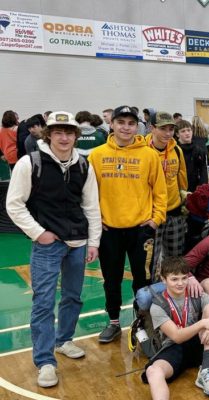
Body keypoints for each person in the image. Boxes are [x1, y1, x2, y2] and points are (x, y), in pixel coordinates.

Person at [6, 111, 102, 388]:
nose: (64, 137)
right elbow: (14, 204)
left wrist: (93, 242)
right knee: (43, 302)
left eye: (69, 132)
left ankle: (64, 340)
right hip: (47, 245)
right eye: (58, 132)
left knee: (73, 297)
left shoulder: (83, 165)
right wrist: (39, 233)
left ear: (75, 136)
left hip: (78, 243)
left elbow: (91, 206)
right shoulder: (30, 163)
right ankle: (45, 361)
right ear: (48, 135)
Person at [88, 105, 167, 343]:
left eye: (131, 123)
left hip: (141, 231)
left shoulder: (149, 155)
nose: (126, 127)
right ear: (111, 124)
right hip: (109, 231)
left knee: (143, 282)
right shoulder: (97, 155)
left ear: (137, 126)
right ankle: (113, 322)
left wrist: (155, 220)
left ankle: (142, 322)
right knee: (111, 280)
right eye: (121, 122)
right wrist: (96, 221)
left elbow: (160, 192)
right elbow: (88, 194)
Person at [142, 257, 209, 398]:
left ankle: (206, 370)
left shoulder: (197, 293)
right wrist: (203, 323)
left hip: (202, 342)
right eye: (174, 279)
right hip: (174, 347)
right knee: (153, 371)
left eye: (184, 278)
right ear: (163, 279)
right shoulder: (157, 306)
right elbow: (177, 337)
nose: (180, 283)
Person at [147, 112, 188, 263]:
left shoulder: (176, 150)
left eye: (171, 129)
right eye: (163, 129)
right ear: (152, 128)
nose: (168, 133)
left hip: (174, 211)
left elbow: (182, 179)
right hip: (151, 213)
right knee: (150, 261)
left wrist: (183, 201)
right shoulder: (143, 151)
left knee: (175, 260)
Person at [175, 119, 208, 193]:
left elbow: (203, 170)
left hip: (195, 188)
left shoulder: (199, 150)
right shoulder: (174, 150)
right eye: (183, 131)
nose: (187, 133)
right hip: (179, 189)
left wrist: (202, 189)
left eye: (189, 130)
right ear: (177, 134)